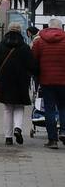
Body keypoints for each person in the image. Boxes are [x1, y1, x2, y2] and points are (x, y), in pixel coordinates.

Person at [0, 24, 36, 146]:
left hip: (5, 80)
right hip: (21, 81)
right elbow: (32, 65)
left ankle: (8, 137)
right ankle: (18, 128)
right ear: (20, 32)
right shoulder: (25, 47)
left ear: (8, 31)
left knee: (8, 109)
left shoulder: (0, 46)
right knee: (19, 106)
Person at [31, 17, 65, 148]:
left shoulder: (39, 42)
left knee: (49, 109)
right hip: (63, 81)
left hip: (46, 80)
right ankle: (63, 131)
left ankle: (53, 140)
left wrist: (36, 76)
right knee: (63, 107)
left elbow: (34, 60)